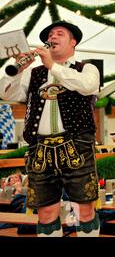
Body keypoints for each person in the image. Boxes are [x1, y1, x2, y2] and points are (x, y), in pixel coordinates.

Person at [0, 20, 101, 237]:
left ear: (73, 42)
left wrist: (52, 66)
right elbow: (6, 94)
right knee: (45, 212)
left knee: (84, 209)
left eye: (59, 33)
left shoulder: (87, 68)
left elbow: (88, 86)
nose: (53, 37)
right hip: (40, 148)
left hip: (77, 145)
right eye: (50, 34)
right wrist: (18, 71)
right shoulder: (33, 73)